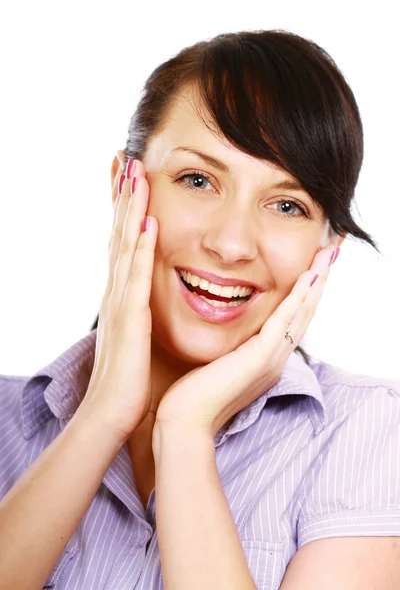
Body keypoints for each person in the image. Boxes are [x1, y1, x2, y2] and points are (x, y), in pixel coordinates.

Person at [0, 29, 399, 590]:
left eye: (287, 204)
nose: (232, 243)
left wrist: (185, 431)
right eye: (198, 179)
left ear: (326, 249)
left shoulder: (366, 434)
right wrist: (102, 413)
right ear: (125, 188)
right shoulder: (6, 423)